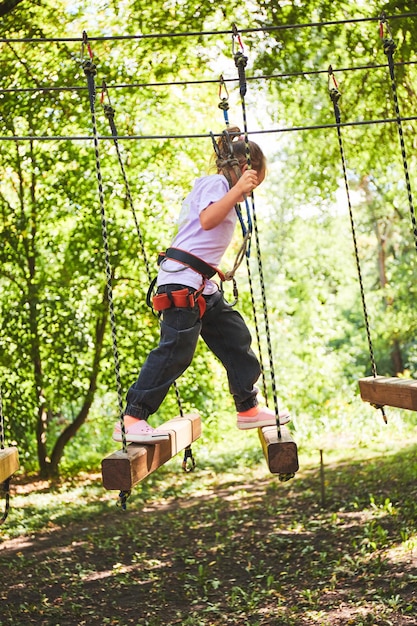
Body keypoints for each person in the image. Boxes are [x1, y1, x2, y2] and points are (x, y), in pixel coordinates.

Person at [113, 127, 290, 444]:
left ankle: (248, 408)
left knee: (235, 337)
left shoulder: (223, 189)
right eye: (252, 184)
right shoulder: (217, 184)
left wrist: (214, 270)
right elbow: (208, 220)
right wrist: (237, 192)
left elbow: (199, 237)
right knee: (176, 351)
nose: (249, 193)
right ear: (243, 170)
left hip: (200, 283)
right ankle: (133, 416)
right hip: (182, 284)